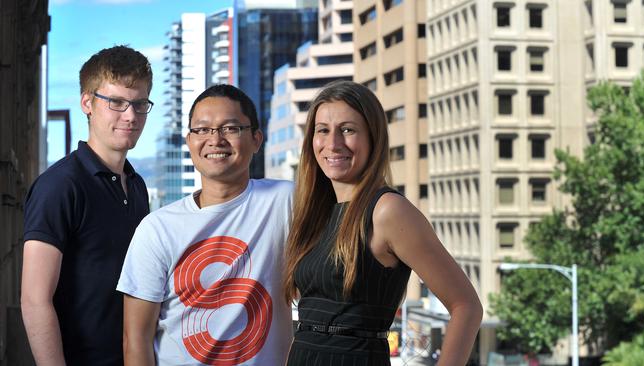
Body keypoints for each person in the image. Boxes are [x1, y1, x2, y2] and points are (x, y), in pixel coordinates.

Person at [283, 80, 483, 366]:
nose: (333, 143)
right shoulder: (315, 213)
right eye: (323, 131)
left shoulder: (388, 211)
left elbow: (467, 306)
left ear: (373, 138)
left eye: (348, 130)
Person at [117, 84, 293, 366]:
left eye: (231, 128)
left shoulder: (286, 200)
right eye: (202, 129)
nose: (216, 139)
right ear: (189, 140)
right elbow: (136, 340)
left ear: (257, 139)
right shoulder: (157, 229)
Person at [21, 45, 153, 366]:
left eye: (139, 104)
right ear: (87, 103)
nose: (130, 116)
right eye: (117, 102)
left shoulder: (137, 186)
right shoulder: (60, 186)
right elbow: (34, 300)